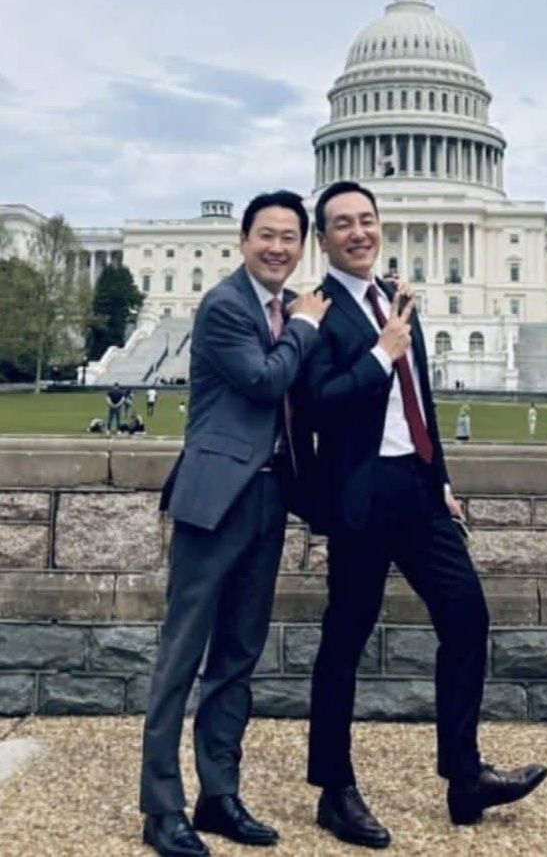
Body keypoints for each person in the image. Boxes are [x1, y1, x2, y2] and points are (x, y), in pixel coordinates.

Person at [302, 181, 547, 848]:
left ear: (379, 226)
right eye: (342, 223)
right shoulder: (317, 312)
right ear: (322, 239)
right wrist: (380, 352)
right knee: (345, 642)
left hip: (417, 487)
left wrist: (440, 478)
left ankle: (464, 777)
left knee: (467, 617)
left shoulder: (394, 297)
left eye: (366, 219)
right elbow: (319, 404)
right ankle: (334, 790)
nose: (358, 232)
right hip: (360, 494)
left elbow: (419, 397)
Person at [139, 190, 330, 857]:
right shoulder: (225, 305)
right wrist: (304, 328)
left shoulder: (287, 307)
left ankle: (218, 795)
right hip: (215, 496)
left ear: (301, 246)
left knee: (237, 657)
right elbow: (262, 380)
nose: (277, 247)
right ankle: (160, 806)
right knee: (181, 655)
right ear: (243, 240)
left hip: (270, 497)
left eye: (289, 237)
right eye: (265, 235)